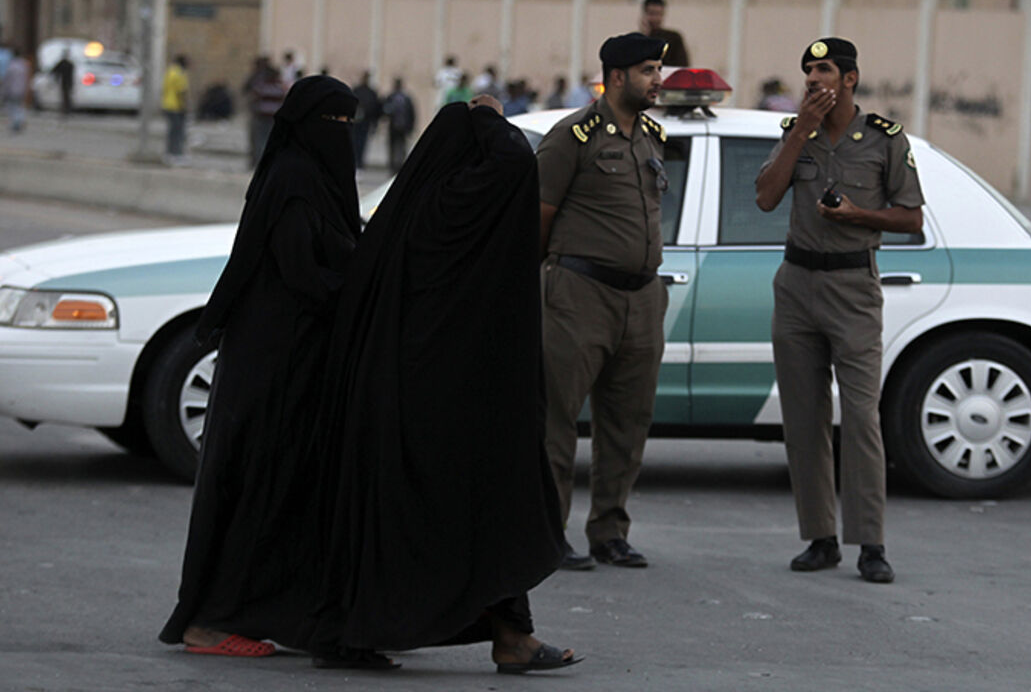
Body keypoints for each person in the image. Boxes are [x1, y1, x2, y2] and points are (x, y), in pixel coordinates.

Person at [305, 96, 578, 674]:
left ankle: (366, 632)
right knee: (486, 518)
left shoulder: (416, 212)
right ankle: (510, 637)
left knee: (410, 521)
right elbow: (510, 170)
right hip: (454, 412)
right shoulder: (474, 212)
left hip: (404, 405)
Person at [158, 76, 363, 657]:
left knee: (282, 495)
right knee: (254, 490)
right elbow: (302, 273)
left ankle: (263, 612)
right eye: (336, 125)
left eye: (351, 125)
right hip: (273, 365)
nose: (344, 137)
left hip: (294, 362)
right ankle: (208, 620)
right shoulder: (295, 181)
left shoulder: (310, 177)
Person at [755, 37, 924, 584]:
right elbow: (764, 196)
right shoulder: (793, 135)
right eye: (806, 70)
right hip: (797, 284)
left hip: (852, 285)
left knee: (860, 418)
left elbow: (911, 218)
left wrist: (856, 214)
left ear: (849, 79)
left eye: (824, 69)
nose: (812, 79)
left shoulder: (884, 140)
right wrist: (799, 130)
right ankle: (820, 537)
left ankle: (870, 543)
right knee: (803, 420)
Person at [536, 33, 668, 571]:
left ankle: (610, 530)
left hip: (641, 299)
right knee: (556, 422)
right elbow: (539, 215)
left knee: (627, 423)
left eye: (658, 69)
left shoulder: (653, 135)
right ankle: (549, 532)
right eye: (647, 71)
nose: (658, 79)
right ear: (616, 77)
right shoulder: (574, 136)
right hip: (579, 295)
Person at [243, 57, 286, 168]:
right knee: (269, 140)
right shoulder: (280, 88)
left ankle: (258, 163)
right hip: (273, 118)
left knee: (258, 141)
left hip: (260, 116)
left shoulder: (260, 86)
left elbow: (251, 94)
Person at [639, 0, 689, 67]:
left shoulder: (674, 38)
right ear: (644, 14)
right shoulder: (638, 39)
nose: (655, 18)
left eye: (658, 14)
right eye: (652, 14)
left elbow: (682, 65)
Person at [382, 77, 416, 173]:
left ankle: (396, 166)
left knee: (398, 146)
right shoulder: (399, 98)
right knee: (397, 146)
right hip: (397, 126)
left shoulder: (399, 98)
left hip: (399, 126)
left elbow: (411, 113)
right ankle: (395, 165)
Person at [161, 54, 191, 162]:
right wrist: (185, 106)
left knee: (171, 131)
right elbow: (181, 91)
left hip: (167, 104)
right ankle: (177, 153)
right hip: (177, 106)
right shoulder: (179, 74)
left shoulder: (170, 71)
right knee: (178, 132)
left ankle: (169, 153)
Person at [351, 71, 381, 170]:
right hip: (362, 121)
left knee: (358, 142)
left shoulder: (359, 91)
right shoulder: (369, 92)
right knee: (360, 142)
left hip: (361, 121)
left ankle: (357, 161)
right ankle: (358, 162)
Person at [2, 46, 29, 133]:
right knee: (19, 106)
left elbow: (7, 80)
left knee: (12, 107)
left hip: (12, 90)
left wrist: (4, 91)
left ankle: (16, 123)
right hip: (21, 89)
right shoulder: (24, 65)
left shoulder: (11, 66)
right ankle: (20, 120)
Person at [51, 49, 75, 117]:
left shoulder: (63, 63)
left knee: (65, 96)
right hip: (68, 81)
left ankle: (66, 110)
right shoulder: (70, 64)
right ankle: (67, 110)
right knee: (67, 96)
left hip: (64, 82)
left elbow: (54, 70)